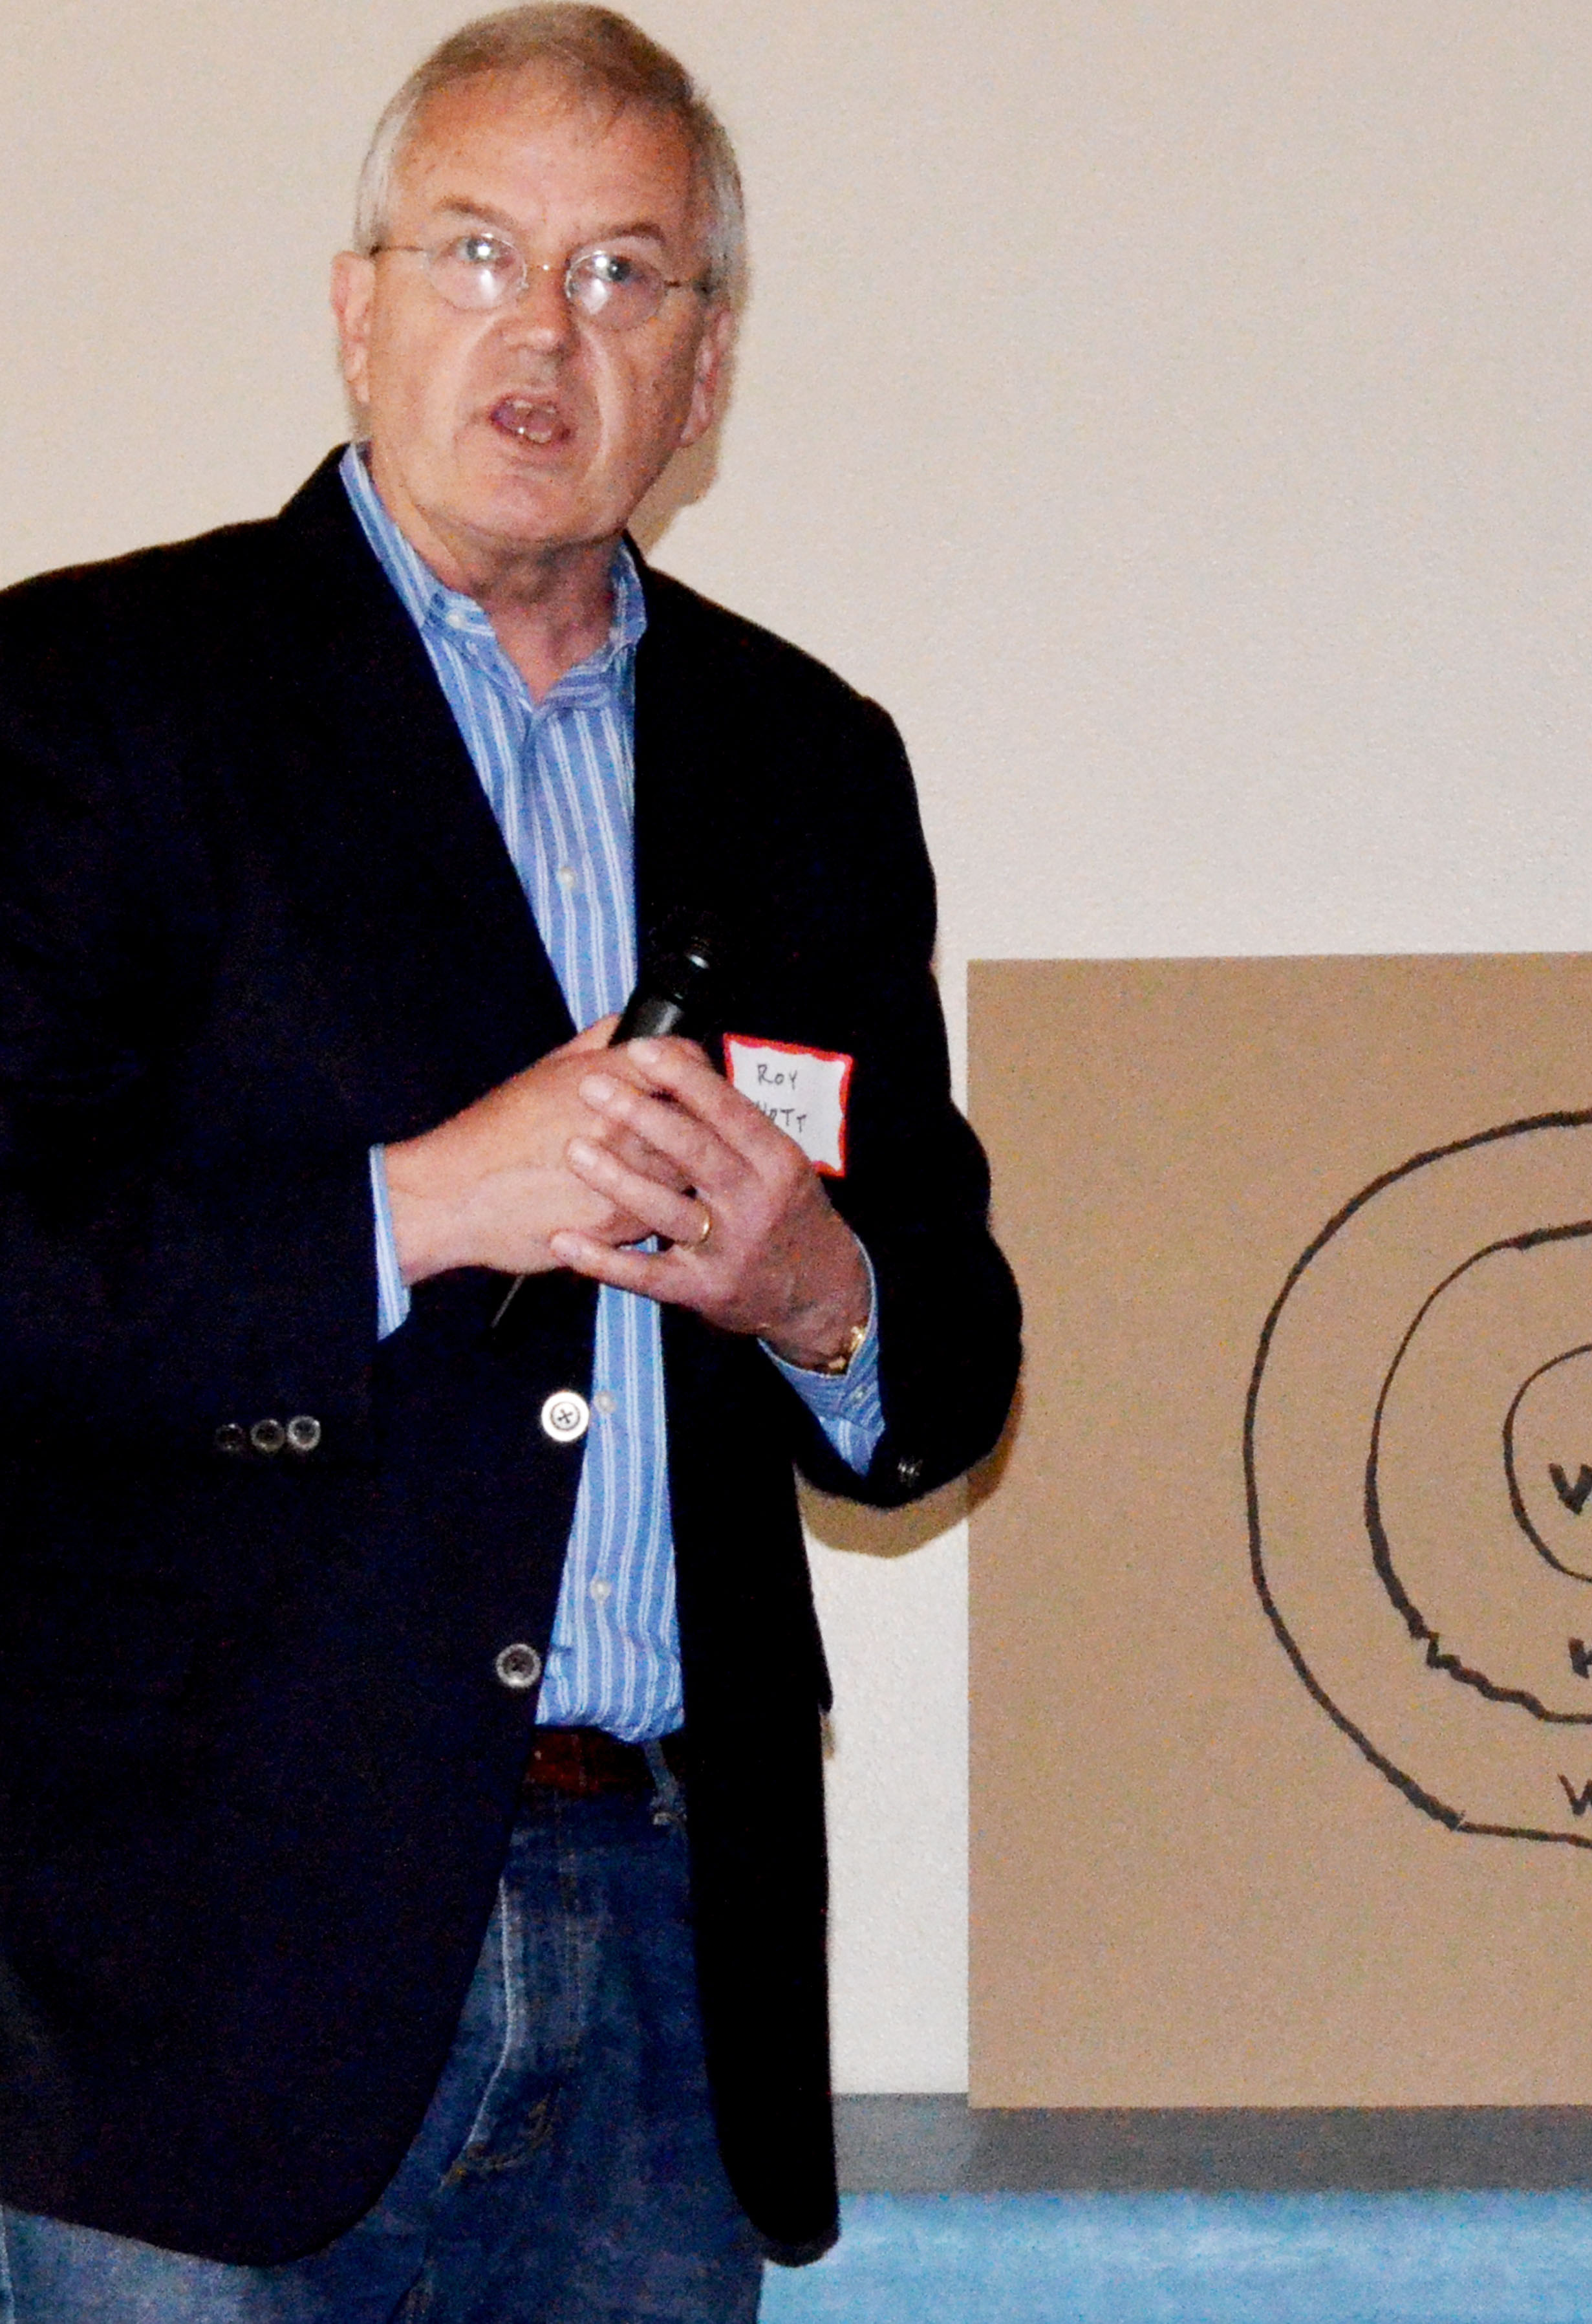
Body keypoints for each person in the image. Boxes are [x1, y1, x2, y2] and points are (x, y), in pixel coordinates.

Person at [0, 9, 1020, 2318]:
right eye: (474, 252)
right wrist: (421, 1205)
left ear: (706, 367)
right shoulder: (91, 700)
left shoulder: (805, 759)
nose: (541, 330)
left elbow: (947, 1364)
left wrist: (813, 1287)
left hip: (659, 1946)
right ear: (355, 308)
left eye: (619, 272)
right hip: (200, 1974)